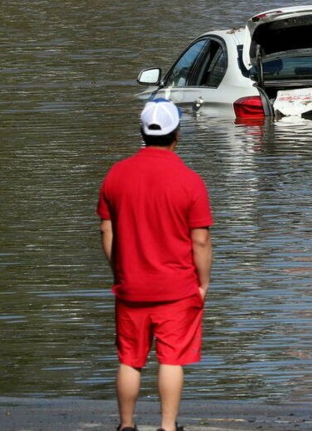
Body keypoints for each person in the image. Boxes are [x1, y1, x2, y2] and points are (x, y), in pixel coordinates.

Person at [97, 99, 213, 431]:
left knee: (129, 360)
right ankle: (167, 426)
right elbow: (200, 241)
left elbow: (106, 230)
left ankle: (126, 425)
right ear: (177, 134)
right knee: (171, 359)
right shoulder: (189, 180)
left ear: (142, 132)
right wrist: (203, 284)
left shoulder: (116, 175)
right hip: (177, 287)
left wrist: (119, 269)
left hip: (131, 285)